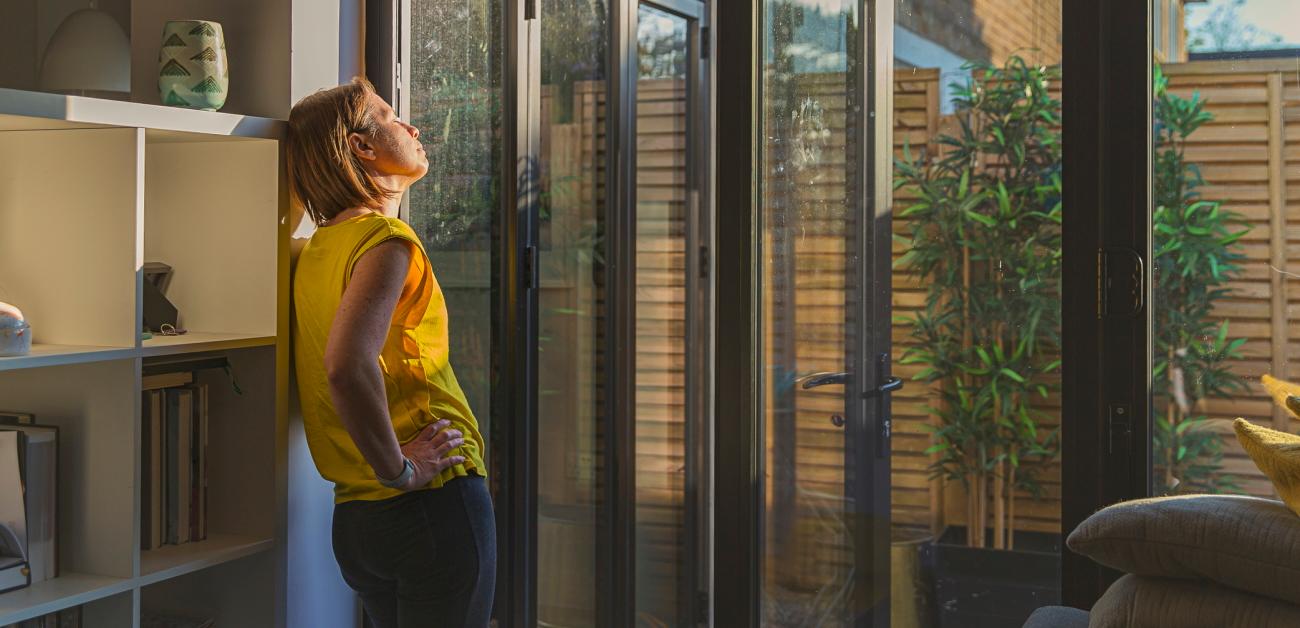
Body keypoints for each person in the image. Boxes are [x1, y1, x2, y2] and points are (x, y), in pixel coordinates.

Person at [287, 77, 495, 628]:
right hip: (430, 501)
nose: (413, 126)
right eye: (390, 115)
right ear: (361, 146)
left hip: (357, 520)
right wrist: (401, 471)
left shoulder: (313, 251)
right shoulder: (386, 240)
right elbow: (346, 366)